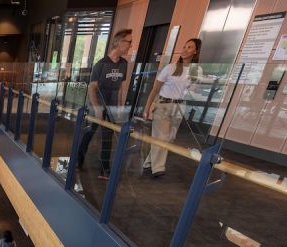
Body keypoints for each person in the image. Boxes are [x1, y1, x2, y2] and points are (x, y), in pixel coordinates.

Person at [142, 38, 203, 179]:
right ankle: (158, 168)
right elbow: (155, 89)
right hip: (163, 104)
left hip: (179, 106)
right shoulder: (171, 67)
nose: (185, 49)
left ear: (196, 51)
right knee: (161, 137)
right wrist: (147, 108)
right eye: (184, 46)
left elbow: (194, 90)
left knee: (169, 139)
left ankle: (148, 163)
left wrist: (196, 82)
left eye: (189, 47)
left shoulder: (197, 70)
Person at [77, 29, 132, 180]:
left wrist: (119, 106)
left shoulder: (124, 64)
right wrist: (97, 109)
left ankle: (104, 169)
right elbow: (92, 88)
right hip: (97, 105)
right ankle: (78, 162)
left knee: (108, 137)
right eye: (128, 42)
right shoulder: (101, 64)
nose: (130, 45)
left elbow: (120, 87)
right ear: (119, 43)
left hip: (111, 106)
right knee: (89, 133)